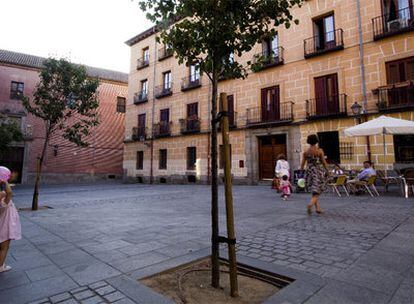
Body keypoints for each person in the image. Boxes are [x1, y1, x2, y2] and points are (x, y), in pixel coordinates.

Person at [300, 134, 329, 215]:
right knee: (318, 190)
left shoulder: (305, 152)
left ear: (308, 141)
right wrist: (328, 171)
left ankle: (318, 208)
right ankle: (310, 205)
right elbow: (324, 162)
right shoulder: (319, 151)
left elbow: (302, 164)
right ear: (316, 141)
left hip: (309, 171)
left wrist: (301, 174)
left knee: (314, 190)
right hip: (317, 171)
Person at [0, 179, 22, 273]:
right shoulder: (3, 200)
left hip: (3, 223)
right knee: (4, 247)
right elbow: (9, 192)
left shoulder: (3, 201)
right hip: (5, 225)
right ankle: (1, 266)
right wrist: (5, 180)